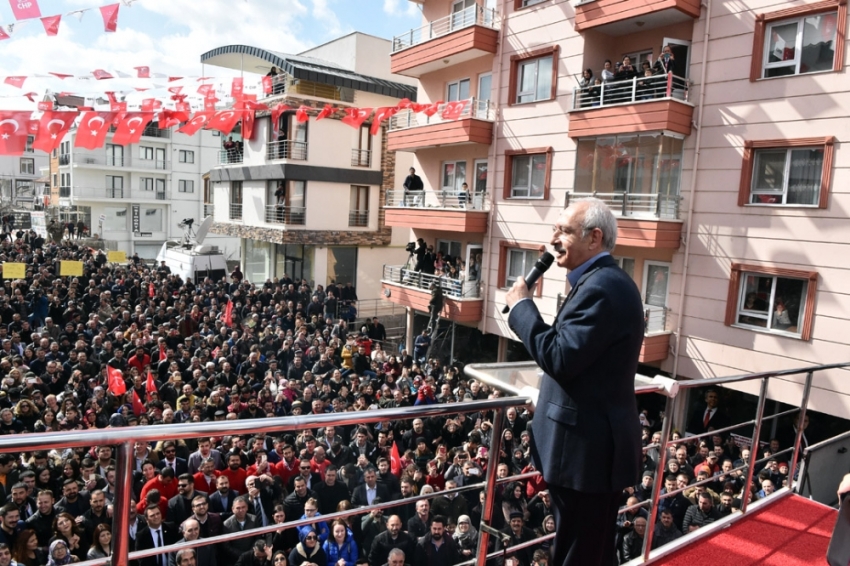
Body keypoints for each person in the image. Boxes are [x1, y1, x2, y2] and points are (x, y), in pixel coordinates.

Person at [505, 198, 644, 566]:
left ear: (595, 238)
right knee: (592, 550)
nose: (554, 239)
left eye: (564, 230)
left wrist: (522, 307)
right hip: (587, 452)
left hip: (589, 455)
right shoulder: (597, 282)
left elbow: (561, 357)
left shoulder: (603, 289)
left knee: (576, 553)